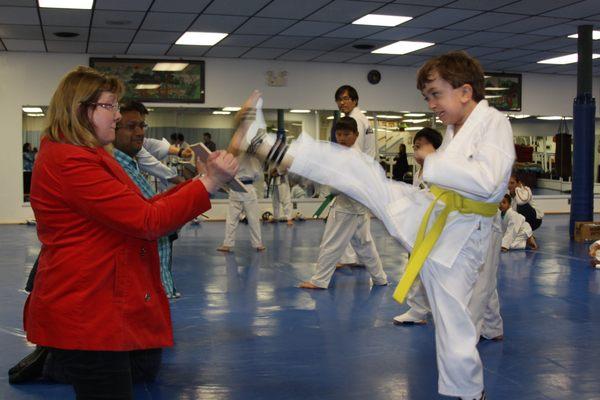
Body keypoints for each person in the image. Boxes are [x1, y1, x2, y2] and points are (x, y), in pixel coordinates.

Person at [234, 50, 515, 400]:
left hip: (465, 231)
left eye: (435, 95)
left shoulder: (495, 123)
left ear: (465, 91)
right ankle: (263, 142)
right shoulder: (457, 126)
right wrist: (437, 164)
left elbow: (490, 181)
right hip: (440, 217)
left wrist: (434, 162)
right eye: (427, 98)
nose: (431, 105)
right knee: (360, 172)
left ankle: (472, 394)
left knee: (455, 323)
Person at [8, 66, 238, 398]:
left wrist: (197, 182)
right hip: (87, 310)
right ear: (81, 110)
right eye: (110, 106)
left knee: (139, 369)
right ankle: (52, 362)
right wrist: (209, 182)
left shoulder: (89, 155)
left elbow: (142, 206)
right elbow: (147, 221)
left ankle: (54, 361)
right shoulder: (72, 161)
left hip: (96, 305)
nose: (117, 116)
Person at [298, 117, 388, 289]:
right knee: (365, 247)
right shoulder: (354, 155)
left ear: (356, 135)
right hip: (358, 209)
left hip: (346, 209)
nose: (342, 138)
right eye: (338, 134)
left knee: (331, 244)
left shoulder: (350, 157)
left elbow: (336, 187)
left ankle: (319, 281)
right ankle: (380, 278)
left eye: (346, 134)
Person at [112, 100, 181, 298]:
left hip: (148, 290)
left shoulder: (131, 161)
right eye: (131, 126)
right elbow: (154, 219)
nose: (140, 132)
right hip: (135, 291)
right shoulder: (113, 170)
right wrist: (204, 185)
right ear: (111, 128)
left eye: (142, 125)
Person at [393, 127, 443, 325]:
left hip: (438, 230)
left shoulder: (440, 172)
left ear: (437, 149)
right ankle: (418, 309)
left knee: (437, 273)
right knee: (416, 268)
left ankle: (432, 308)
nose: (417, 151)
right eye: (415, 147)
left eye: (421, 146)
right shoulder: (419, 173)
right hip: (420, 229)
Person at [334, 84, 377, 267]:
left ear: (355, 100)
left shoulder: (355, 120)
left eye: (346, 99)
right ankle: (360, 258)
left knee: (345, 217)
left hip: (357, 174)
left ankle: (350, 257)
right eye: (339, 99)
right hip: (364, 174)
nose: (342, 103)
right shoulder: (360, 117)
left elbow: (352, 148)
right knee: (360, 219)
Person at [217, 121, 266, 253]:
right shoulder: (252, 158)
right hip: (248, 188)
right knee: (253, 218)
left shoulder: (232, 156)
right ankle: (258, 244)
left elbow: (226, 173)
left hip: (235, 186)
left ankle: (227, 244)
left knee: (232, 218)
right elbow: (257, 175)